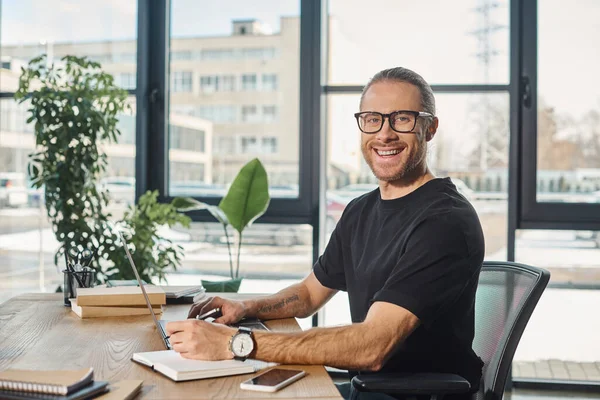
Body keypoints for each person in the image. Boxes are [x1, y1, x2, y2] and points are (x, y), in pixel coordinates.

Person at [166, 67, 485, 400]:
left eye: (402, 119)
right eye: (373, 119)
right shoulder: (360, 210)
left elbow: (372, 346)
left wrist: (235, 343)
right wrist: (245, 308)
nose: (385, 134)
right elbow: (308, 295)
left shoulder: (444, 223)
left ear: (429, 128)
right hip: (369, 390)